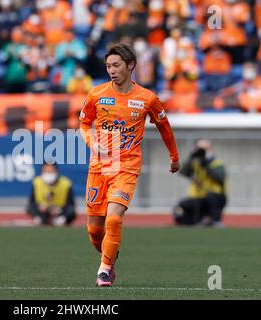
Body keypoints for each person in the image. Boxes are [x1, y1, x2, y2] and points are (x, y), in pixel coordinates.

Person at [79, 43, 180, 287]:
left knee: (113, 220)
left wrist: (174, 157)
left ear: (130, 65)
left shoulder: (146, 98)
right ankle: (110, 256)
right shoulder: (96, 94)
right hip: (99, 167)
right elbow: (83, 124)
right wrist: (92, 141)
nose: (111, 70)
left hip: (127, 167)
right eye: (108, 66)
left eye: (116, 65)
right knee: (94, 231)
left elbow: (164, 127)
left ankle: (104, 270)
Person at [173, 139, 227, 227]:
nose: (202, 152)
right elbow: (183, 172)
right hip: (198, 196)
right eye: (199, 149)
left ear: (211, 150)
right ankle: (192, 222)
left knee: (211, 198)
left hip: (216, 197)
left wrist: (207, 165)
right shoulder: (195, 162)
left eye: (205, 149)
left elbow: (220, 177)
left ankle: (215, 221)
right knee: (182, 205)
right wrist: (190, 158)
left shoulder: (217, 163)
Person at [27, 162, 76, 226]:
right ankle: (40, 219)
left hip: (60, 210)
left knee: (71, 211)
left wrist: (58, 209)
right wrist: (40, 207)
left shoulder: (66, 183)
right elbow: (31, 202)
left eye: (51, 171)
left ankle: (61, 220)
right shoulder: (36, 182)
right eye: (46, 171)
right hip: (43, 211)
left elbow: (71, 204)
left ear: (56, 171)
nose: (48, 173)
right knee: (30, 208)